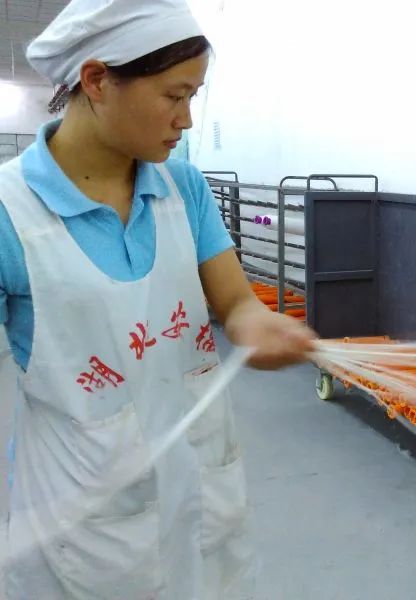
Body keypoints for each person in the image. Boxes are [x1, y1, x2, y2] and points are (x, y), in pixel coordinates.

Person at [0, 0, 316, 597]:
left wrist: (257, 325)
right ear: (98, 80)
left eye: (193, 97)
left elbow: (236, 304)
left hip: (200, 489)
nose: (186, 120)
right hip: (84, 514)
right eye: (175, 96)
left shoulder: (183, 187)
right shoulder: (10, 215)